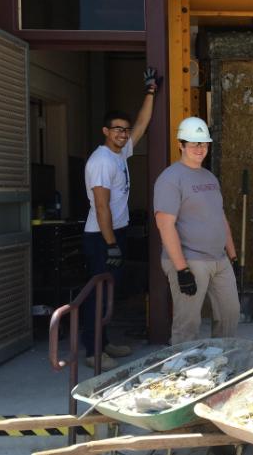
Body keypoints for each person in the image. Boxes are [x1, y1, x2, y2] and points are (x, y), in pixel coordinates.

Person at [83, 67, 160, 370]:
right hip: (102, 237)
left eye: (124, 130)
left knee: (110, 293)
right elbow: (101, 207)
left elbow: (142, 124)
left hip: (116, 233)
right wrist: (111, 244)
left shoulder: (119, 154)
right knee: (98, 295)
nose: (123, 133)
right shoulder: (101, 161)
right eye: (117, 129)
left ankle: (105, 343)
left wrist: (150, 92)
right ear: (105, 131)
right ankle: (92, 352)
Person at [154, 116, 240, 344]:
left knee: (230, 314)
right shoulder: (170, 178)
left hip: (219, 259)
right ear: (181, 144)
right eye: (194, 143)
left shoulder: (209, 177)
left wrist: (232, 255)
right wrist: (182, 270)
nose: (200, 149)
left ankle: (221, 362)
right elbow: (165, 225)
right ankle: (182, 373)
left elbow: (220, 217)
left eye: (203, 143)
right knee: (188, 324)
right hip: (190, 260)